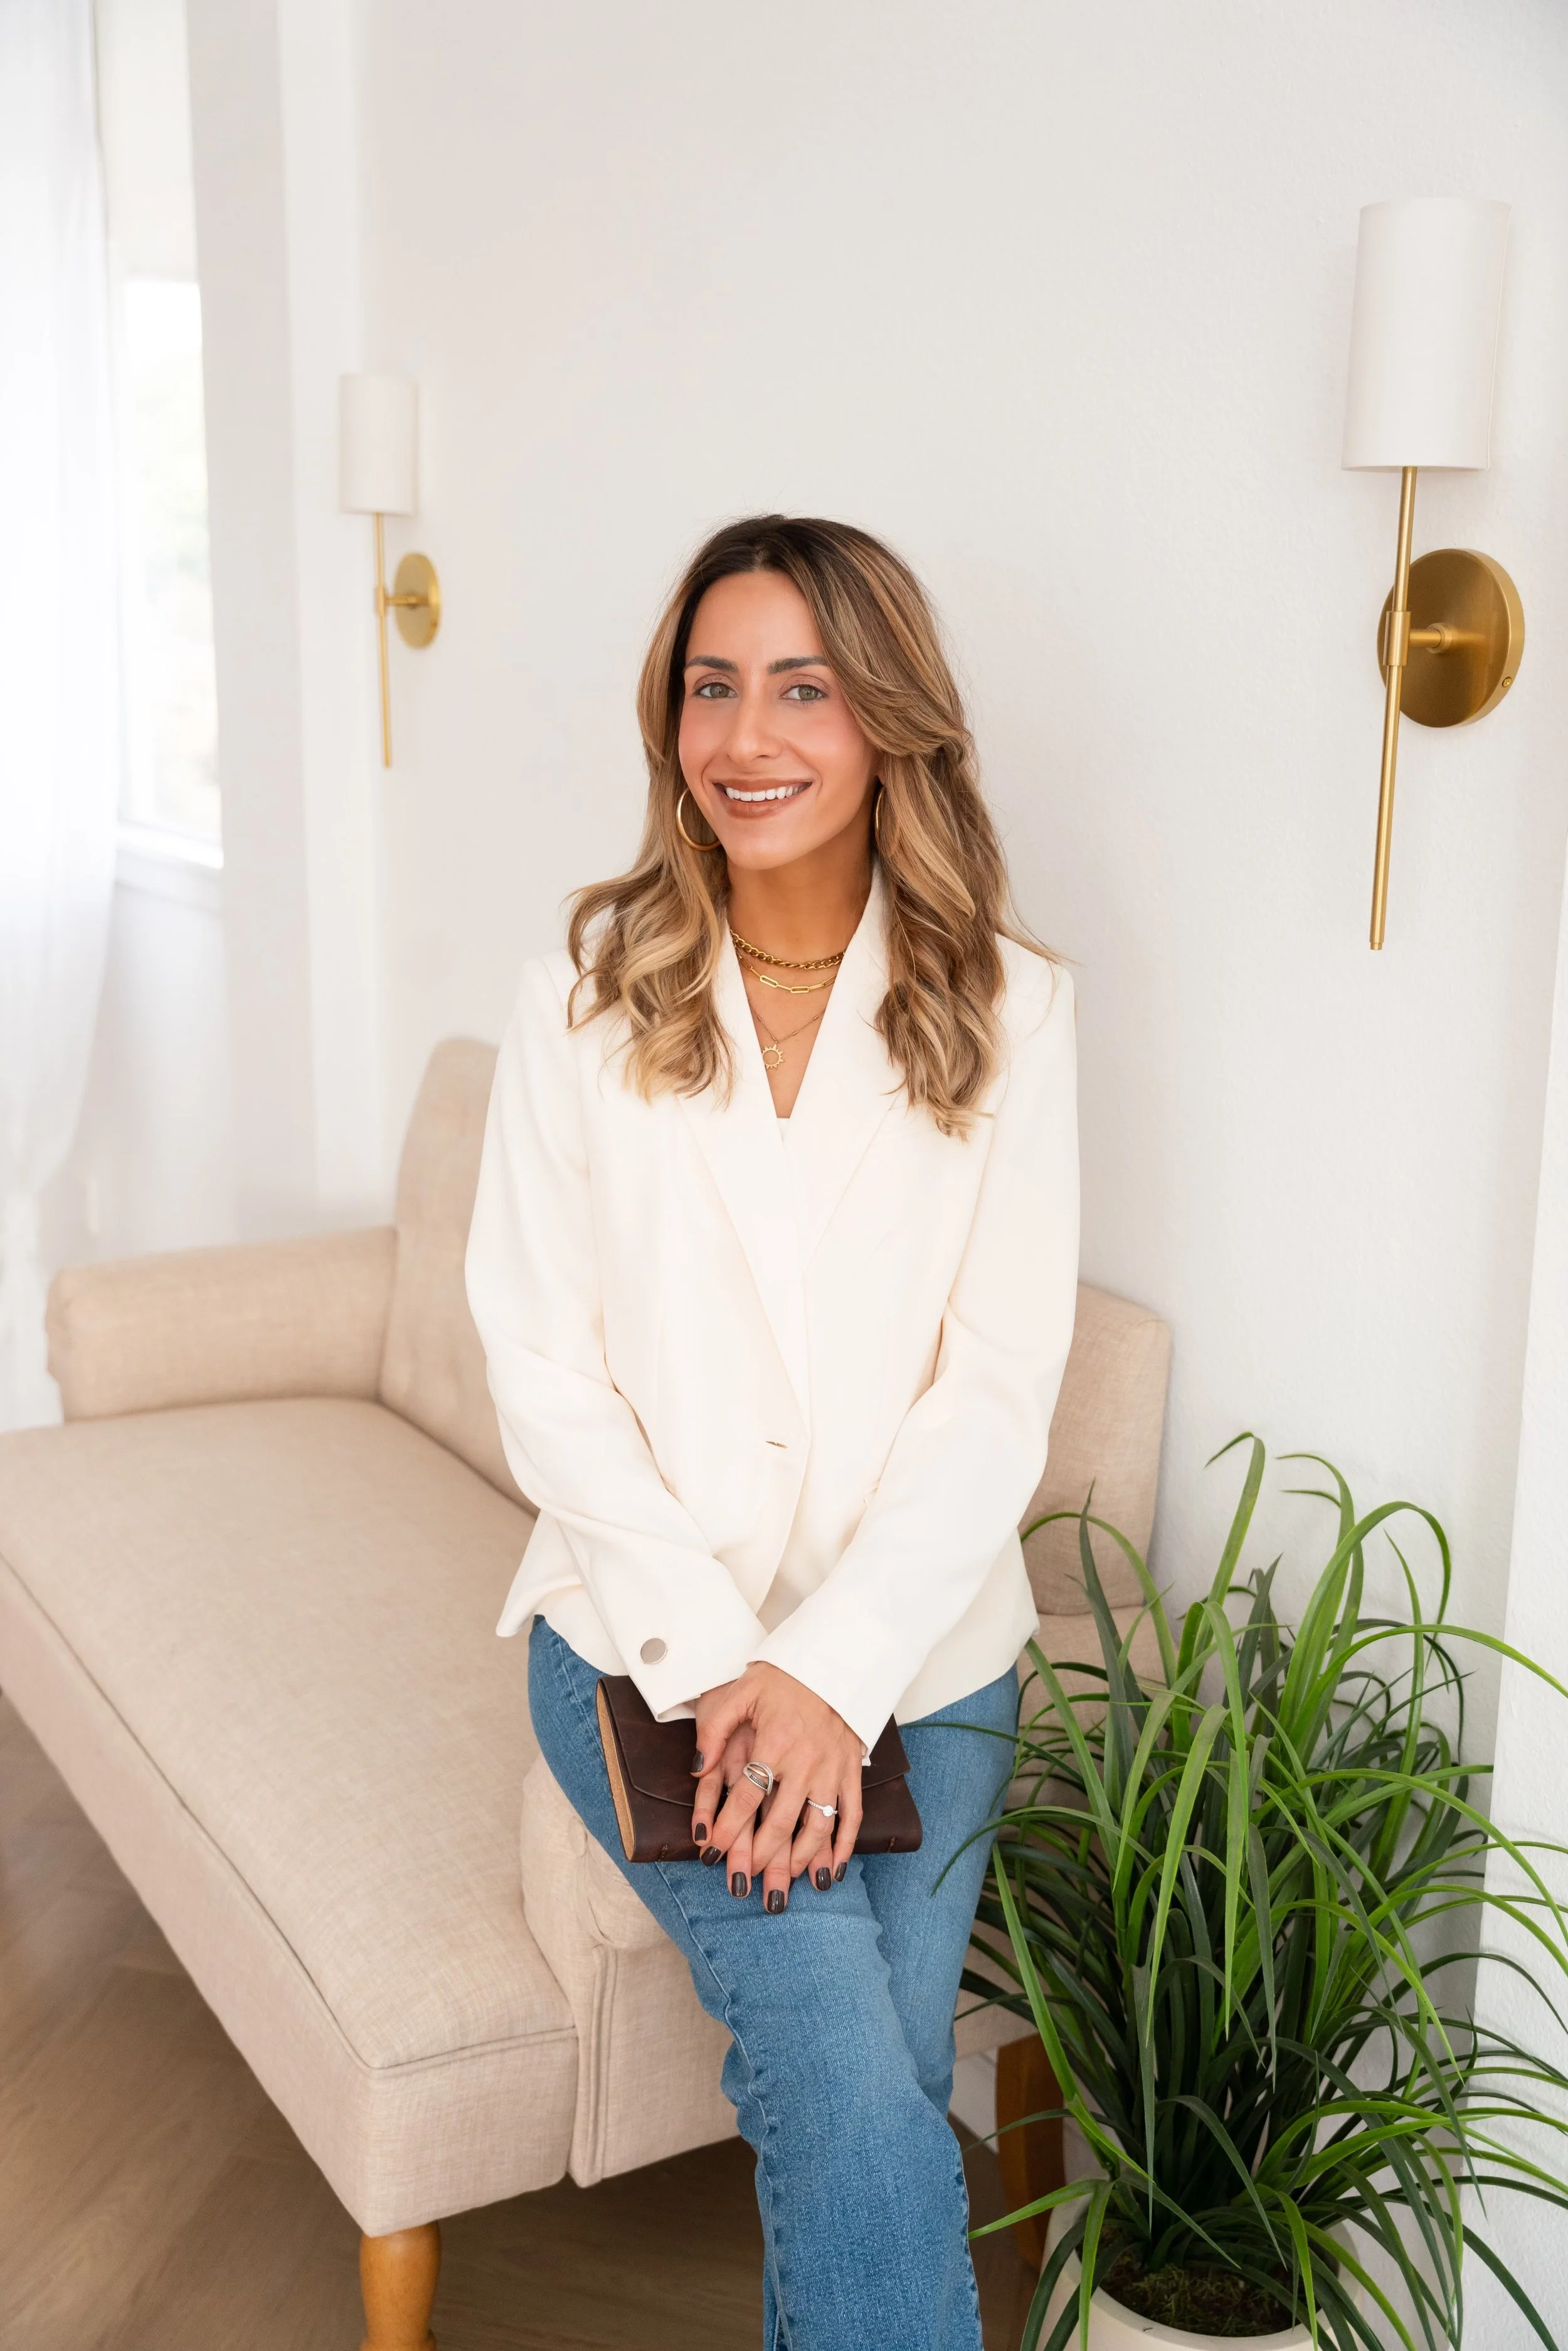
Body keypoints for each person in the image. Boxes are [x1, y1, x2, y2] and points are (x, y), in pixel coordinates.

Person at [466, 514, 1079, 2349]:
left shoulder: (1011, 1008)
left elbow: (996, 1389)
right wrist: (737, 1672)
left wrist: (830, 1670)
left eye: (801, 687)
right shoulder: (580, 1000)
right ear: (668, 724)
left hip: (925, 1660)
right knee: (846, 2078)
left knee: (866, 2084)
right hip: (646, 1645)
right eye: (710, 687)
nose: (748, 735)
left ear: (886, 718)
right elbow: (543, 1371)